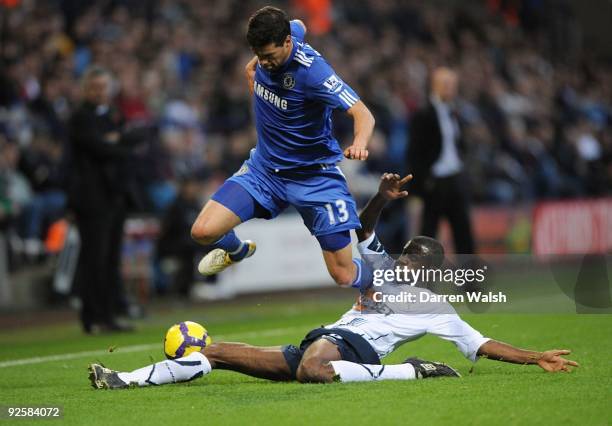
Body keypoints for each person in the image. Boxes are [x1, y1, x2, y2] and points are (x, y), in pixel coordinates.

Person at [88, 173, 578, 389]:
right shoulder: (383, 268)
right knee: (218, 352)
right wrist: (383, 198)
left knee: (313, 369)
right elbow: (362, 231)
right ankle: (124, 381)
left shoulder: (434, 307)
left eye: (414, 260)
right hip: (325, 340)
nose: (404, 263)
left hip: (353, 349)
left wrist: (537, 358)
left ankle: (412, 371)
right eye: (405, 254)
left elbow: (483, 342)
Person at [192, 7, 375, 290]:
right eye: (259, 55)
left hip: (314, 178)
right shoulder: (286, 34)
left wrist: (360, 144)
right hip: (265, 172)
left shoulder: (314, 72)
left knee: (343, 275)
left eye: (269, 56)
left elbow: (363, 113)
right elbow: (299, 23)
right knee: (202, 231)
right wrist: (255, 61)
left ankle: (391, 275)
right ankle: (238, 251)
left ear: (287, 43)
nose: (263, 63)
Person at [67, 66, 135, 334]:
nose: (98, 92)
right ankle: (92, 317)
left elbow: (123, 144)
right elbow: (102, 148)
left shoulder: (112, 115)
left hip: (114, 196)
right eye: (94, 87)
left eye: (102, 87)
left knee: (109, 259)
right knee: (94, 258)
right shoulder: (79, 118)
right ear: (85, 89)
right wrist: (118, 142)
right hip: (91, 199)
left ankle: (108, 315)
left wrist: (115, 142)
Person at [407, 67, 475, 254]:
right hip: (435, 182)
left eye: (453, 84)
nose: (451, 88)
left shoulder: (455, 112)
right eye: (446, 84)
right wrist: (421, 185)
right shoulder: (423, 114)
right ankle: (422, 281)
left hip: (455, 179)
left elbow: (459, 145)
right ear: (434, 86)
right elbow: (415, 153)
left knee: (464, 235)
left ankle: (470, 282)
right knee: (427, 237)